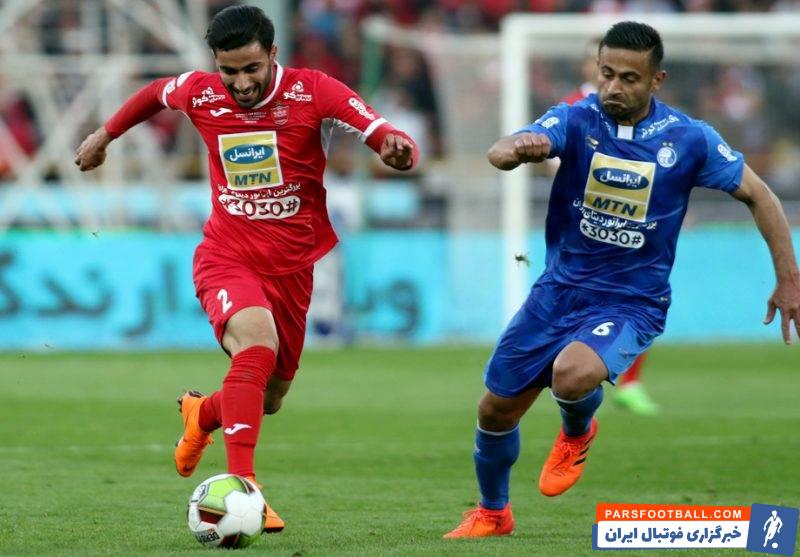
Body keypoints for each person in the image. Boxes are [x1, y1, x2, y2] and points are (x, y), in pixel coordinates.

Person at [444, 21, 799, 538]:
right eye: (606, 73)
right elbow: (507, 148)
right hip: (557, 292)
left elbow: (760, 195)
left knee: (572, 374)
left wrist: (788, 279)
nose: (613, 86)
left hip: (632, 301)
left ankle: (577, 429)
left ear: (657, 80)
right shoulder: (575, 118)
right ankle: (493, 513)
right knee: (495, 409)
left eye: (629, 78)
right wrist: (519, 147)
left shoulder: (689, 138)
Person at [75, 5, 417, 533]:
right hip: (227, 255)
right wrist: (104, 135)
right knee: (256, 347)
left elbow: (374, 126)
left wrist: (396, 146)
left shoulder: (312, 89)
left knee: (270, 397)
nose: (240, 83)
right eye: (228, 71)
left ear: (273, 54)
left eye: (251, 68)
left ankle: (203, 413)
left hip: (293, 267)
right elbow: (155, 93)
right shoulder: (201, 92)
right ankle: (246, 489)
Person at [561, 39, 660, 416]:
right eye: (598, 61)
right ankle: (575, 378)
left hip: (632, 222)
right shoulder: (573, 106)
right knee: (577, 302)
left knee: (640, 296)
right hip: (581, 226)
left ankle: (630, 383)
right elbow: (555, 164)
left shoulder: (641, 110)